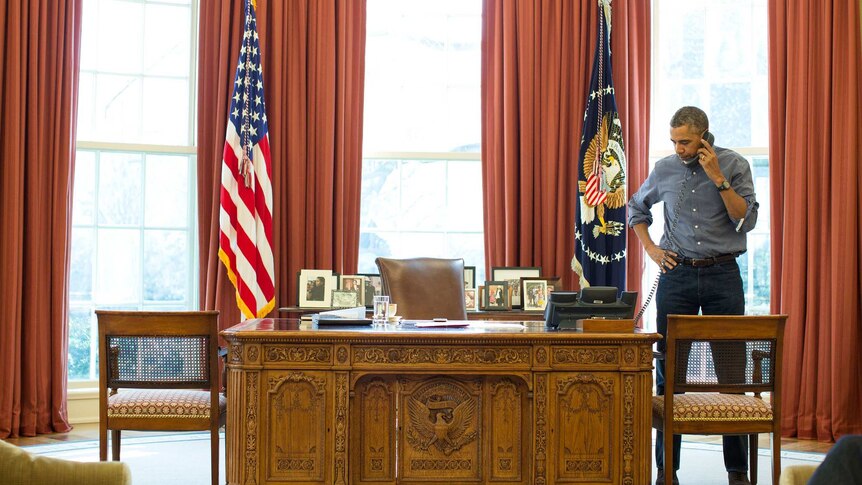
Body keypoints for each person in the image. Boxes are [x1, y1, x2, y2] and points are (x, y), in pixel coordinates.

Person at [627, 106, 759, 485]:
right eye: (674, 141)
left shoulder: (734, 165)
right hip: (677, 274)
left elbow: (745, 219)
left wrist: (718, 177)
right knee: (669, 374)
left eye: (685, 141)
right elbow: (636, 207)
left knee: (732, 374)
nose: (679, 148)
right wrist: (651, 249)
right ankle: (667, 470)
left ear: (704, 136)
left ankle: (737, 472)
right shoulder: (666, 169)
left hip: (723, 274)